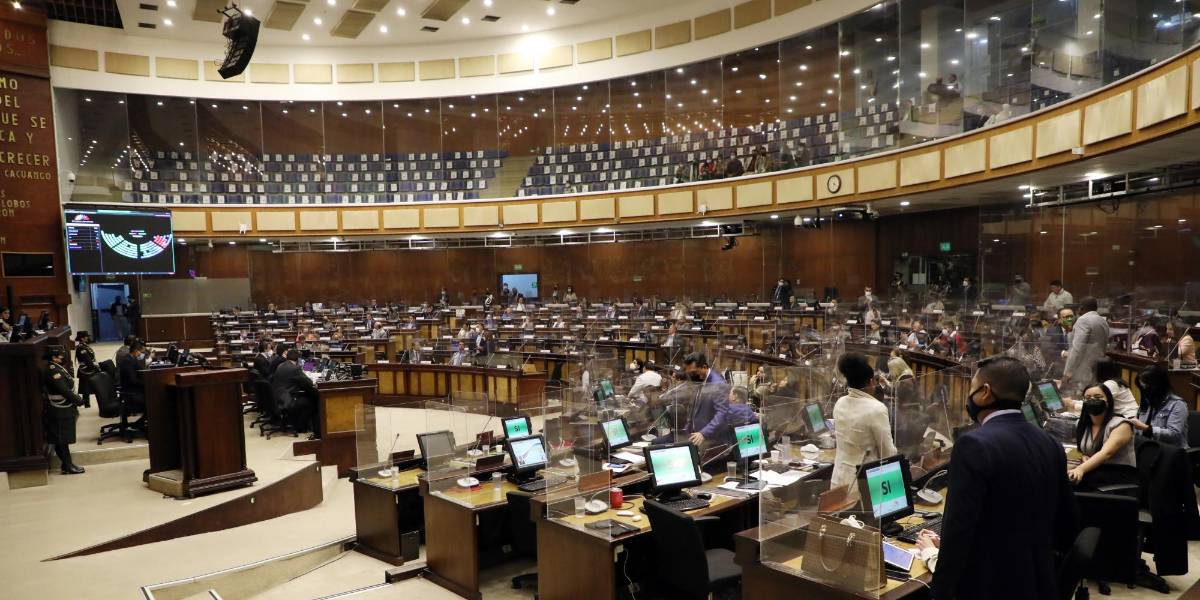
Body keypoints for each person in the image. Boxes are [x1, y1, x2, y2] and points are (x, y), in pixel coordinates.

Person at [915, 356, 1077, 600]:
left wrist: (936, 574)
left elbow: (959, 530)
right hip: (1038, 582)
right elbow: (1067, 524)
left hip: (990, 586)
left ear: (985, 392)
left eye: (971, 389)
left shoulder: (973, 444)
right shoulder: (1049, 442)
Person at [830, 353, 897, 495]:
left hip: (838, 481)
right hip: (864, 487)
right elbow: (888, 453)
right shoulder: (877, 409)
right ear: (872, 381)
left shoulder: (839, 403)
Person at [1068, 383, 1137, 491]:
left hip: (1118, 474)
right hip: (1095, 469)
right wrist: (1082, 456)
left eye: (1098, 397)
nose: (1092, 400)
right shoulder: (1082, 424)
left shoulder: (1121, 425)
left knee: (1070, 482)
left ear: (1108, 402)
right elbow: (1077, 449)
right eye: (1088, 398)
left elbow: (1106, 453)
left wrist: (1080, 469)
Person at [43, 346, 85, 474]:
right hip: (59, 409)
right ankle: (67, 465)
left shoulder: (57, 368)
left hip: (64, 408)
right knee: (61, 440)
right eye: (60, 356)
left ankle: (67, 464)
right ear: (54, 358)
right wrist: (77, 400)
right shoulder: (52, 370)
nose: (63, 357)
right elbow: (63, 390)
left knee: (63, 439)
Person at [1130, 364, 1189, 448]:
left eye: (1147, 387)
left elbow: (1174, 435)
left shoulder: (1177, 404)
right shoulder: (1147, 401)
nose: (1145, 391)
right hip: (1148, 449)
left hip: (1171, 453)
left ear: (1158, 386)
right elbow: (1138, 431)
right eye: (1142, 388)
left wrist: (1147, 428)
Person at [682, 352, 731, 447]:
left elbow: (722, 413)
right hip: (696, 435)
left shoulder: (717, 384)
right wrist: (687, 428)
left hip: (711, 439)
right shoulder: (701, 379)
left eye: (693, 372)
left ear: (704, 367)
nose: (691, 375)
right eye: (689, 373)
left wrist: (704, 433)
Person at [1062, 297, 1109, 393]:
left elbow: (1077, 349)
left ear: (1082, 307)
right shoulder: (1102, 321)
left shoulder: (1083, 320)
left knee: (1082, 396)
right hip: (1098, 369)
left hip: (1084, 371)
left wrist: (1067, 373)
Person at [271, 348, 320, 437]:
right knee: (312, 400)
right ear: (297, 359)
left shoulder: (281, 365)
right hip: (287, 399)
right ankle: (302, 427)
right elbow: (308, 383)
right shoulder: (295, 368)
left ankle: (302, 424)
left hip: (278, 396)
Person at [73, 331, 97, 409]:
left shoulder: (85, 346)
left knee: (86, 388)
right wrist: (95, 367)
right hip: (86, 369)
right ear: (82, 338)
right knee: (86, 388)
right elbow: (87, 360)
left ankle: (86, 403)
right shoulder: (81, 347)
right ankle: (86, 404)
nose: (88, 338)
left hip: (88, 369)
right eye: (86, 336)